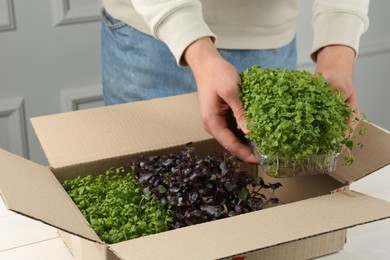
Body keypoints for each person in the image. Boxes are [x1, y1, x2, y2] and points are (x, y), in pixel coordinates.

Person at [101, 0, 370, 164]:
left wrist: (337, 52)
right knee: (144, 179)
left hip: (266, 39)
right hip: (150, 34)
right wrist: (199, 53)